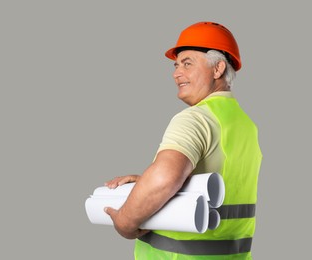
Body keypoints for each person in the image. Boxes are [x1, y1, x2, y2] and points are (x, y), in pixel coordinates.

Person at [104, 21, 262, 259]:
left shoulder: (195, 118)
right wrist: (144, 182)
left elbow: (165, 179)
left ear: (218, 69)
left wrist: (125, 222)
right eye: (176, 65)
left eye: (187, 63)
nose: (176, 73)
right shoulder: (246, 125)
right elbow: (222, 186)